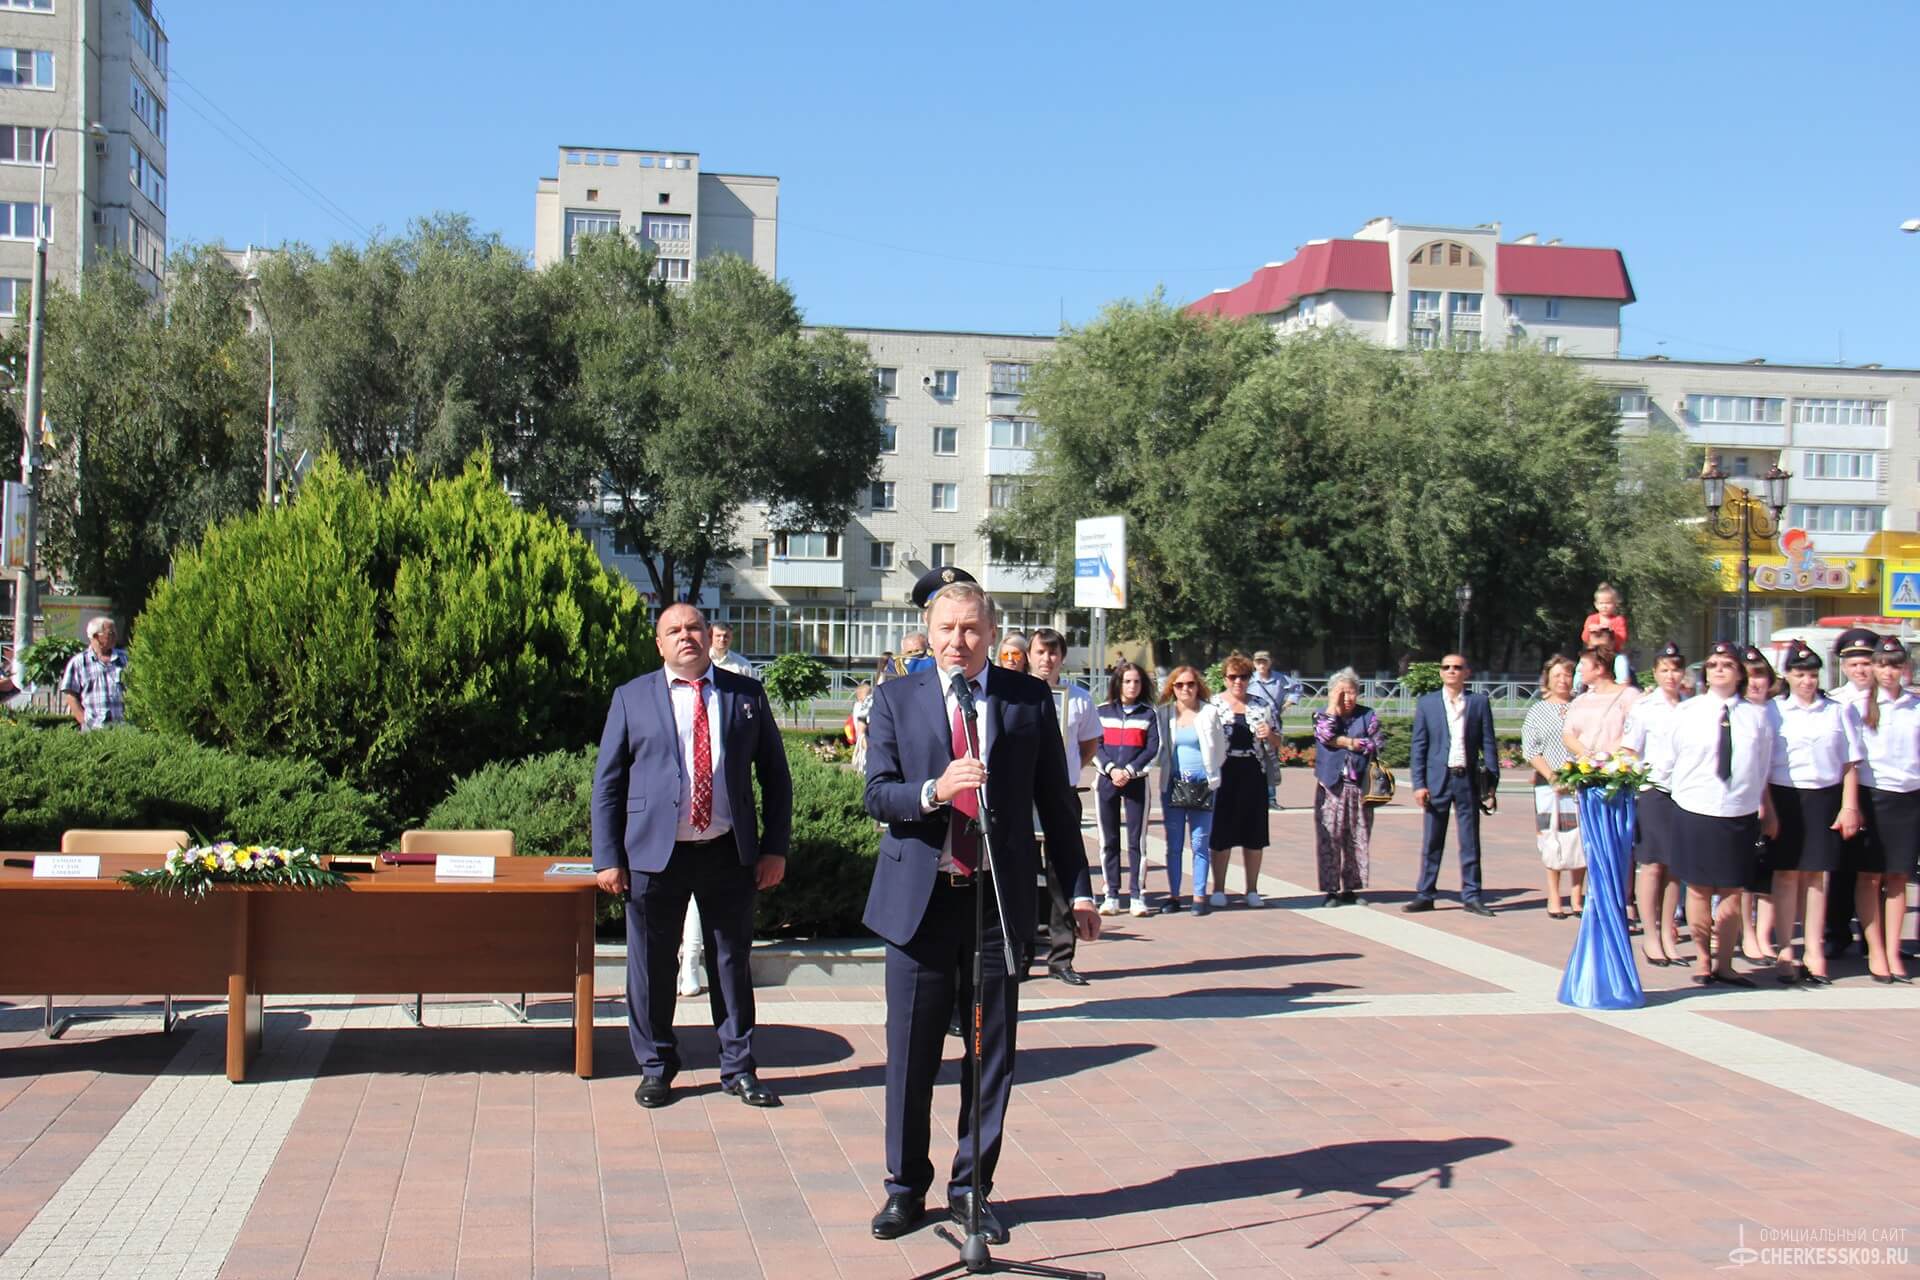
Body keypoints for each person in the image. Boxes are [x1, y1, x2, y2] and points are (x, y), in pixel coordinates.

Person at [861, 569, 1098, 1245]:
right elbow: (878, 793)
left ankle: (972, 1190)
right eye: (946, 629)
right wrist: (934, 790)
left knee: (991, 1053)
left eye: (970, 629)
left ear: (991, 633)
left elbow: (1057, 800)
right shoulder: (896, 698)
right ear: (929, 635)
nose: (957, 641)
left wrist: (1076, 889)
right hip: (921, 900)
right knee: (910, 1055)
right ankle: (906, 1188)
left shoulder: (1025, 700)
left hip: (996, 898)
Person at [591, 603, 793, 1110]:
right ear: (660, 644)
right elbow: (608, 785)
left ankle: (738, 1067)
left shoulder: (745, 694)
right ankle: (656, 1067)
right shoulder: (631, 697)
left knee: (731, 963)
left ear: (710, 636)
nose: (686, 637)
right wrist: (607, 857)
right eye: (674, 631)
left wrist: (774, 848)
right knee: (652, 965)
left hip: (728, 851)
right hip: (653, 856)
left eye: (694, 628)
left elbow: (775, 776)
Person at [1664, 640, 1777, 987]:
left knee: (1732, 890)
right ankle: (1703, 957)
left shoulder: (1756, 717)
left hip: (1737, 811)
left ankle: (1725, 963)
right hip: (1696, 807)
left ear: (1740, 673)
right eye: (1712, 664)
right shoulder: (1687, 711)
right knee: (1698, 889)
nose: (1718, 669)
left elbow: (1762, 768)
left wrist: (1766, 809)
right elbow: (1670, 761)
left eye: (1726, 664)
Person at [1766, 642, 1864, 987]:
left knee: (1817, 876)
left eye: (1811, 674)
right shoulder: (1774, 710)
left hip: (1824, 797)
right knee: (1786, 875)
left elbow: (1850, 762)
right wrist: (1767, 809)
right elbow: (1763, 765)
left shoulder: (1838, 711)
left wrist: (1849, 805)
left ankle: (1814, 949)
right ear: (1787, 675)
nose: (1806, 680)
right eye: (1799, 673)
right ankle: (1785, 949)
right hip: (1785, 796)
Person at [1028, 626, 1102, 981]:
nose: (1047, 659)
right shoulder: (1018, 695)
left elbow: (1089, 745)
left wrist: (1064, 773)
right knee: (1023, 874)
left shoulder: (1080, 698)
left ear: (1062, 656)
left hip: (1063, 793)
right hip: (1023, 796)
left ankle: (1061, 959)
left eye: (1053, 652)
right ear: (1029, 655)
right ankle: (1023, 954)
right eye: (1040, 652)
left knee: (1064, 873)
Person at [1407, 654, 1499, 916]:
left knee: (1470, 840)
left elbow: (1489, 744)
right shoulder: (1428, 704)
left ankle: (1471, 895)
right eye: (1446, 667)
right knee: (1432, 839)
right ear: (1440, 673)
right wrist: (1419, 784)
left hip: (1467, 778)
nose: (1451, 671)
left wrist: (1491, 786)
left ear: (1466, 673)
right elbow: (1419, 747)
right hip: (1438, 779)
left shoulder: (1479, 703)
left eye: (1457, 668)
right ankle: (1425, 893)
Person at [1854, 637, 1919, 983]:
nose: (1888, 671)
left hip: (1908, 798)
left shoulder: (1915, 706)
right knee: (1870, 876)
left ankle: (1893, 950)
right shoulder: (1856, 704)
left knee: (1898, 877)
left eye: (1895, 665)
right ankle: (1875, 949)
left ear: (1904, 668)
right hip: (1872, 795)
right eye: (1882, 664)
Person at [1622, 642, 1689, 966]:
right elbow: (1630, 751)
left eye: (1676, 669)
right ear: (1656, 672)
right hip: (1654, 790)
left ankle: (1668, 932)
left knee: (1676, 868)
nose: (1671, 675)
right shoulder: (1645, 707)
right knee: (1652, 866)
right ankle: (1650, 935)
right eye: (1664, 669)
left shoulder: (1693, 707)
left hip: (1687, 793)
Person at [1825, 626, 1879, 960]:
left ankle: (1876, 938)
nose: (1861, 670)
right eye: (1854, 664)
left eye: (1867, 663)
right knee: (1842, 868)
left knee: (1880, 870)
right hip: (1848, 792)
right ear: (1844, 667)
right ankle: (1837, 931)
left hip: (1883, 790)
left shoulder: (1892, 698)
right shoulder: (1835, 702)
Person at [1208, 653, 1277, 908]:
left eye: (1244, 677)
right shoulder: (1213, 705)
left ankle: (1252, 889)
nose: (1238, 682)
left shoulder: (1261, 705)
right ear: (1224, 678)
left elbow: (1279, 741)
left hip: (1252, 771)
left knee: (1254, 833)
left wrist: (1269, 734)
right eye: (1233, 677)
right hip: (1224, 771)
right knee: (1221, 832)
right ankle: (1218, 888)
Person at [1155, 666, 1225, 916]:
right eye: (1179, 685)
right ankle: (1174, 895)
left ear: (1198, 686)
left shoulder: (1209, 713)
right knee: (1173, 844)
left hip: (1202, 785)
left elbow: (1220, 748)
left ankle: (1199, 896)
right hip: (1173, 784)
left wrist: (1210, 774)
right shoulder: (1164, 713)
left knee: (1199, 843)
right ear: (1172, 688)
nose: (1186, 689)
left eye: (1190, 684)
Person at [1311, 668, 1382, 907]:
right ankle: (1330, 889)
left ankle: (1351, 888)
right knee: (1329, 839)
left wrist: (1345, 742)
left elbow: (1374, 744)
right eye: (1341, 692)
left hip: (1359, 785)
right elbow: (1324, 733)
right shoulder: (1322, 713)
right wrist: (1333, 706)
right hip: (1330, 785)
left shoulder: (1368, 715)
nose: (1347, 697)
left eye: (1351, 692)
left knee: (1357, 838)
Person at [1094, 660, 1159, 917]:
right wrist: (1111, 769)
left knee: (1136, 841)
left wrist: (1130, 771)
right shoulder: (1102, 711)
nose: (1132, 686)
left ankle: (1136, 895)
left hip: (1136, 783)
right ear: (1118, 683)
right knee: (1108, 840)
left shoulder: (1148, 714)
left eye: (1137, 681)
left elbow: (1153, 749)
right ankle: (1111, 894)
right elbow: (1095, 744)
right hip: (1107, 781)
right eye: (1127, 681)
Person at [1524, 655, 1583, 919]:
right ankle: (1554, 895)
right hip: (1549, 784)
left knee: (1581, 840)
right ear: (1547, 678)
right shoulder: (1538, 710)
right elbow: (1531, 749)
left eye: (1567, 675)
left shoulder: (1581, 707)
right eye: (1557, 675)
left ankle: (1578, 896)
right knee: (1553, 839)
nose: (1563, 680)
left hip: (1580, 782)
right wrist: (1551, 776)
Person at [1739, 647, 1783, 962]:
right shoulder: (1736, 712)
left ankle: (1765, 934)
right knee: (1745, 872)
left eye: (1761, 676)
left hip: (1780, 795)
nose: (1756, 683)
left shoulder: (1778, 711)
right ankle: (1747, 933)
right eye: (1751, 677)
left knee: (1772, 869)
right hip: (1746, 797)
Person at [60, 617, 128, 731]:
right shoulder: (79, 662)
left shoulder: (125, 658)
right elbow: (70, 694)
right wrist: (83, 720)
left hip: (124, 728)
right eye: (111, 633)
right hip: (94, 728)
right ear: (96, 636)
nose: (116, 637)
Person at [1249, 651, 1300, 807]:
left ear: (1270, 662)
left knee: (1271, 758)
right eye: (1258, 662)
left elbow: (1297, 688)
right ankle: (1253, 796)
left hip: (1273, 722)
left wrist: (1287, 703)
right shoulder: (1249, 679)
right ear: (1254, 663)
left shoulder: (1280, 679)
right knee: (1253, 758)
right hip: (1253, 721)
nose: (1261, 665)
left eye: (1264, 662)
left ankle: (1271, 798)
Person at [1571, 622, 1634, 693]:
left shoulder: (1619, 660)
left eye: (1604, 648)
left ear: (1612, 644)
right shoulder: (1584, 663)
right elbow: (1577, 687)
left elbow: (1623, 684)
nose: (1598, 652)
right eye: (1594, 649)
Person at [1582, 582, 1629, 652]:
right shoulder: (1591, 619)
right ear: (1596, 605)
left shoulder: (1619, 620)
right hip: (1593, 652)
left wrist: (1609, 631)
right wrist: (1591, 630)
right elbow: (1585, 638)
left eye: (1608, 603)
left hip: (1613, 653)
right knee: (1583, 662)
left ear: (1615, 604)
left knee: (1623, 661)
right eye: (1601, 603)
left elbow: (1622, 638)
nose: (1604, 606)